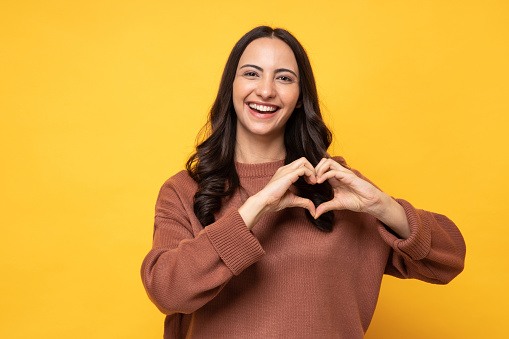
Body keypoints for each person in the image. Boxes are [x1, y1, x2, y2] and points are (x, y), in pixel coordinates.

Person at [141, 26, 466, 339]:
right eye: (252, 73)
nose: (266, 90)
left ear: (299, 97)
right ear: (231, 86)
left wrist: (383, 206)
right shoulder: (185, 190)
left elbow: (448, 260)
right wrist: (256, 208)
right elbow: (167, 292)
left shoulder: (336, 186)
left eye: (284, 78)